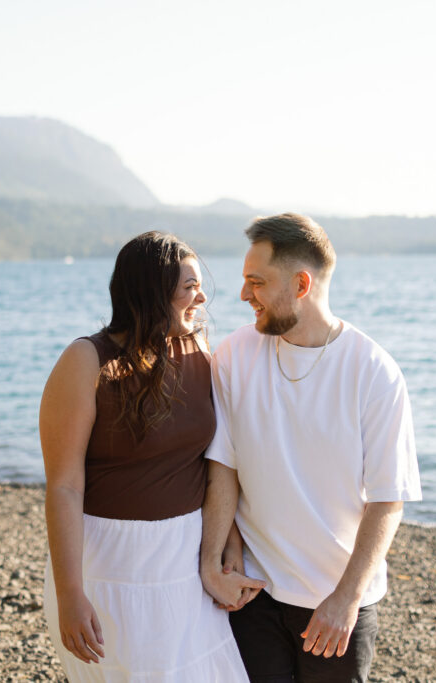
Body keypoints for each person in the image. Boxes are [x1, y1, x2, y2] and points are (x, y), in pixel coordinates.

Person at [200, 213, 422, 682]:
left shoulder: (374, 372)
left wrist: (346, 598)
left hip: (335, 602)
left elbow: (387, 501)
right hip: (254, 596)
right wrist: (214, 559)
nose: (243, 295)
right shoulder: (234, 356)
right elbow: (224, 466)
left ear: (301, 284)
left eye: (256, 282)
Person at [41, 231, 261, 682]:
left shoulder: (196, 351)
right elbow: (64, 485)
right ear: (150, 290)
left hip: (184, 559)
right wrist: (69, 594)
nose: (201, 297)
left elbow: (215, 461)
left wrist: (227, 546)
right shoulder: (86, 360)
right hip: (109, 565)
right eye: (188, 287)